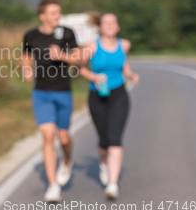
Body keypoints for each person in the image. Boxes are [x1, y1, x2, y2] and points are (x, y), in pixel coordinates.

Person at [52, 12, 139, 200]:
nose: (109, 25)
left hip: (119, 94)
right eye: (105, 23)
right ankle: (103, 163)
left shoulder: (124, 45)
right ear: (100, 27)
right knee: (104, 140)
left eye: (113, 22)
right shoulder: (92, 46)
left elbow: (124, 63)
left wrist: (131, 75)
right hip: (97, 95)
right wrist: (93, 77)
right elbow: (78, 66)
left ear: (118, 26)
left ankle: (113, 184)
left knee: (115, 139)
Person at [21, 0, 79, 203]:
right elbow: (26, 55)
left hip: (63, 91)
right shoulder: (31, 35)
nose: (58, 16)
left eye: (59, 12)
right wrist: (27, 69)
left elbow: (79, 58)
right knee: (47, 136)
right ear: (42, 16)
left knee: (63, 138)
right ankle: (53, 185)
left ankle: (67, 160)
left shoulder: (67, 33)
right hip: (41, 92)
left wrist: (62, 56)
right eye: (54, 13)